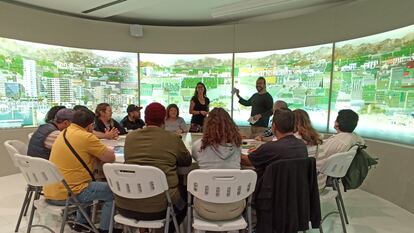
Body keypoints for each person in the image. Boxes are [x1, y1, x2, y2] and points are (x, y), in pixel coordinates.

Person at [115, 102, 192, 232]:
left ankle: (143, 228)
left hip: (126, 203)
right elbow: (186, 161)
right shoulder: (172, 138)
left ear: (145, 119)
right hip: (160, 206)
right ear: (164, 120)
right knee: (184, 197)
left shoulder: (130, 138)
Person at [43, 108, 118, 233]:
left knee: (82, 181)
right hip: (67, 195)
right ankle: (105, 229)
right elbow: (110, 157)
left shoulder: (63, 133)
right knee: (113, 191)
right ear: (90, 125)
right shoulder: (87, 137)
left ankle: (81, 223)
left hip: (51, 191)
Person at [191, 108, 244, 221]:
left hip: (205, 207)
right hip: (235, 207)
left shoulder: (198, 146)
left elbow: (197, 159)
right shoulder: (237, 145)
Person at [241, 108, 308, 180]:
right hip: (292, 188)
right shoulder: (302, 145)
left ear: (274, 126)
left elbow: (246, 161)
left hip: (268, 188)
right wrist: (259, 152)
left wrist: (235, 150)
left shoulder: (270, 147)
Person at [318, 109, 365, 187]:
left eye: (336, 119)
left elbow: (319, 155)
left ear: (337, 123)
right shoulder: (353, 137)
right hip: (330, 174)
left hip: (320, 175)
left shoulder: (339, 141)